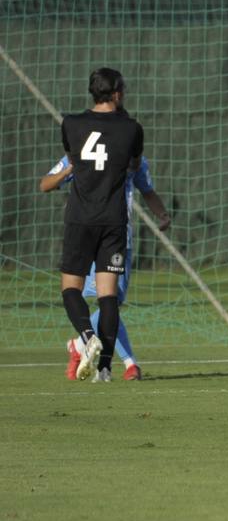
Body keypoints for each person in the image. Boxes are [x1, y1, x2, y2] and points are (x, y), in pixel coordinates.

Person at [43, 150, 168, 382]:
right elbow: (46, 182)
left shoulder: (135, 158)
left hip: (120, 238)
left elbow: (147, 190)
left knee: (112, 302)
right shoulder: (82, 152)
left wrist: (162, 213)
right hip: (86, 234)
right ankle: (127, 364)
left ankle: (80, 344)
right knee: (105, 300)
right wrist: (68, 170)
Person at [56, 68, 146, 382]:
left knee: (71, 289)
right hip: (113, 220)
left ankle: (86, 335)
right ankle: (105, 368)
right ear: (117, 93)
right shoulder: (133, 129)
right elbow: (133, 165)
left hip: (80, 218)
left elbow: (72, 159)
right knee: (108, 297)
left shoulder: (70, 123)